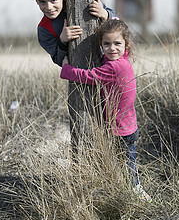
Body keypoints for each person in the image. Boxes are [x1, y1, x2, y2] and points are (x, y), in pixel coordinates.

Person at [60, 19, 152, 202]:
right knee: (125, 161)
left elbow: (88, 76)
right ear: (101, 45)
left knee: (126, 164)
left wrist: (66, 69)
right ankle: (126, 188)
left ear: (127, 44)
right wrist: (105, 15)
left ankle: (136, 192)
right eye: (106, 44)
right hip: (127, 124)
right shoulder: (122, 59)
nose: (112, 48)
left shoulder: (116, 66)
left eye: (117, 43)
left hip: (120, 128)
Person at [31, 0, 119, 66]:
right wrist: (62, 41)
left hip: (111, 65)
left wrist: (104, 14)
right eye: (42, 2)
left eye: (53, 0)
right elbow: (58, 60)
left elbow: (120, 26)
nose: (48, 7)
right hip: (80, 73)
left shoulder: (87, 2)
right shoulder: (44, 29)